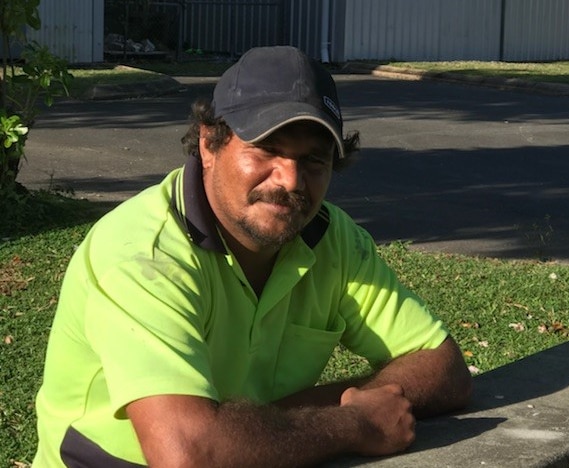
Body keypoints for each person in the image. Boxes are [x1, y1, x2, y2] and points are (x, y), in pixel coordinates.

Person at [33, 45, 472, 467]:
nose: (291, 179)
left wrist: (263, 428)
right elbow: (189, 454)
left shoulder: (331, 238)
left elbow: (442, 367)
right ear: (209, 144)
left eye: (314, 160)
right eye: (266, 150)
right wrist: (351, 421)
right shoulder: (144, 254)